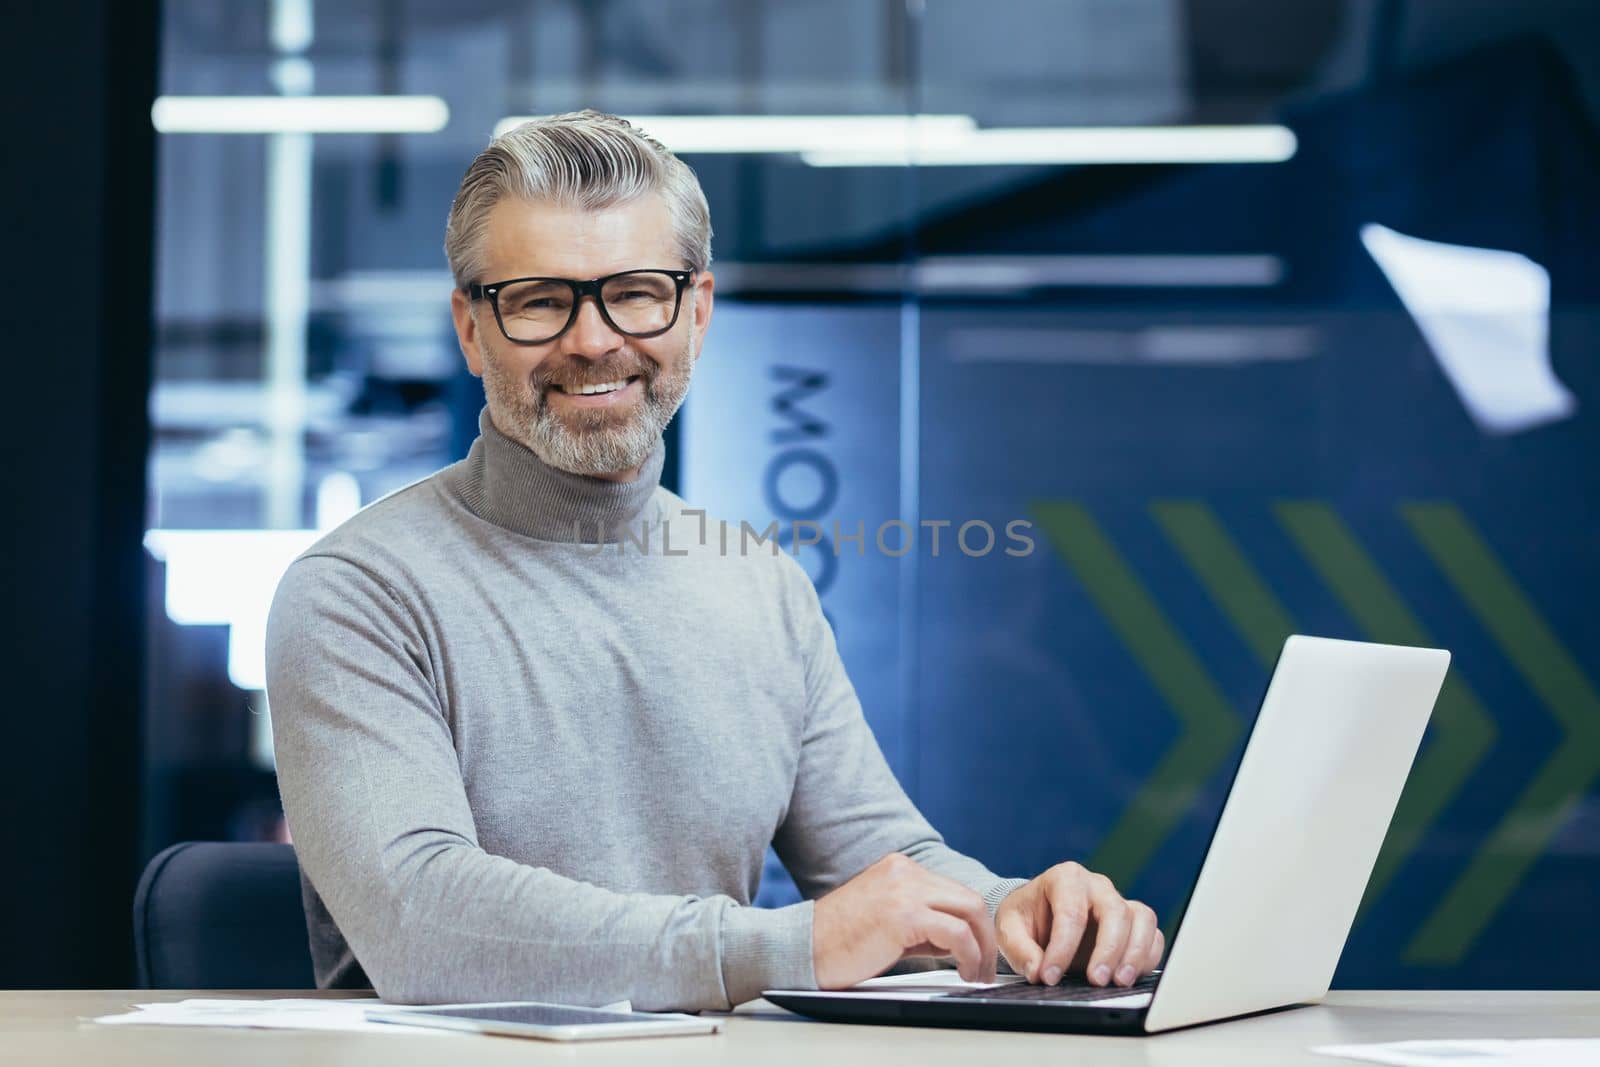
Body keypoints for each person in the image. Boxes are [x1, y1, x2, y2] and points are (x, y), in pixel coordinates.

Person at [265, 109, 1163, 1012]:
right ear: (471, 328)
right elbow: (421, 922)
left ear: (696, 312)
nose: (592, 339)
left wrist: (1022, 916)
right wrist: (788, 944)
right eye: (540, 299)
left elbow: (883, 858)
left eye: (638, 292)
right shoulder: (358, 594)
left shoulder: (757, 584)